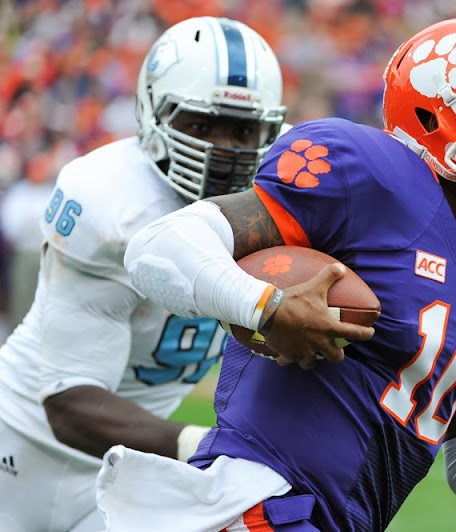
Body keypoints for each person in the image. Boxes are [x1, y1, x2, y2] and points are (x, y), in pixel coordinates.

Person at [102, 18, 456, 532]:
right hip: (255, 500)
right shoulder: (366, 175)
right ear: (437, 113)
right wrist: (264, 306)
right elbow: (157, 248)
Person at [0, 16, 287, 532]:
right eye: (201, 125)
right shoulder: (114, 201)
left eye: (243, 129)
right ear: (154, 114)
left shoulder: (286, 195)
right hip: (22, 448)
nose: (224, 148)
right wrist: (204, 447)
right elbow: (70, 403)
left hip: (131, 469)